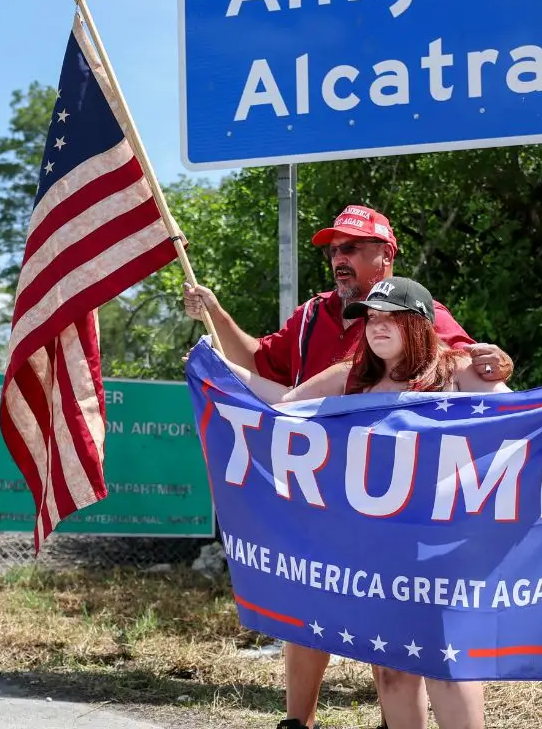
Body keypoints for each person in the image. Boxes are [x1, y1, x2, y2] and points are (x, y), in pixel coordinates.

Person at [183, 205, 513, 729]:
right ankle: (300, 722)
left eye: (353, 248)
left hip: (429, 530)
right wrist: (213, 352)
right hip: (346, 517)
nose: (340, 258)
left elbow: (500, 394)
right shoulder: (332, 348)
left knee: (443, 658)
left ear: (387, 257)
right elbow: (274, 395)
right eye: (335, 249)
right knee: (366, 644)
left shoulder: (437, 338)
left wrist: (508, 373)